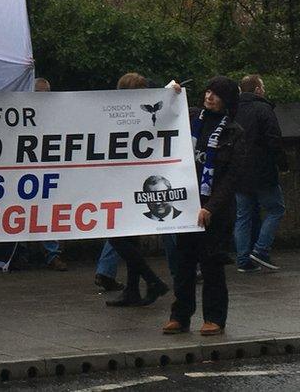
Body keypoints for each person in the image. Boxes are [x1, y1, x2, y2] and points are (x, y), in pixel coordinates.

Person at [163, 76, 248, 337]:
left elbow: (232, 177)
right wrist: (169, 92)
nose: (209, 97)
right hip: (187, 205)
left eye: (217, 94)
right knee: (184, 264)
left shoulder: (234, 133)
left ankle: (214, 318)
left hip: (214, 211)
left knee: (211, 265)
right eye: (208, 91)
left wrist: (211, 207)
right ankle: (180, 315)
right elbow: (160, 113)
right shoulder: (191, 118)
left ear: (227, 100)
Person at [105, 73, 170, 308]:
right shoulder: (148, 114)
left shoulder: (130, 116)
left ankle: (152, 281)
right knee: (128, 238)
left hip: (129, 181)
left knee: (118, 237)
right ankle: (133, 289)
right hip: (140, 181)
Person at [233, 74, 287, 272]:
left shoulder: (234, 110)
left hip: (238, 172)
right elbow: (274, 139)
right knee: (276, 209)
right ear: (257, 89)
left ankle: (242, 260)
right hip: (262, 170)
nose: (263, 90)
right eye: (262, 87)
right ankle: (261, 249)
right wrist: (283, 164)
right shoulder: (264, 109)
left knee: (243, 216)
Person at [30, 77, 68, 272]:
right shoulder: (26, 113)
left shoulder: (55, 114)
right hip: (32, 170)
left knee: (48, 210)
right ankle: (51, 254)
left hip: (49, 169)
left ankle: (53, 253)